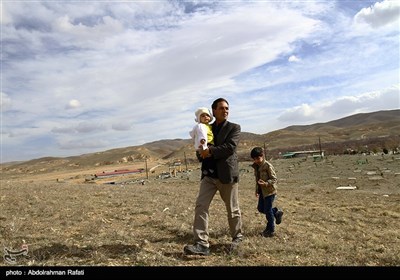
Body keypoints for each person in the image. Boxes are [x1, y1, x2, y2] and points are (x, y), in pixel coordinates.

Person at [184, 97, 243, 256]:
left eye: (227, 108)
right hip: (208, 175)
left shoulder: (234, 128)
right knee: (201, 206)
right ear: (214, 111)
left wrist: (209, 151)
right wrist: (200, 154)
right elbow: (199, 146)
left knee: (232, 209)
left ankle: (237, 238)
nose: (225, 111)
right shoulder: (205, 128)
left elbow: (230, 147)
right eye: (222, 108)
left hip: (226, 175)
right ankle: (202, 244)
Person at [250, 147, 283, 237]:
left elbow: (274, 179)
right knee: (261, 209)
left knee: (268, 211)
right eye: (254, 159)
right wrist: (257, 190)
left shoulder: (268, 166)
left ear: (262, 156)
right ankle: (276, 212)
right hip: (262, 192)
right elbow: (257, 180)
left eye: (258, 158)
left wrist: (266, 183)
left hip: (269, 191)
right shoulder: (256, 167)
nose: (256, 161)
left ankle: (270, 230)